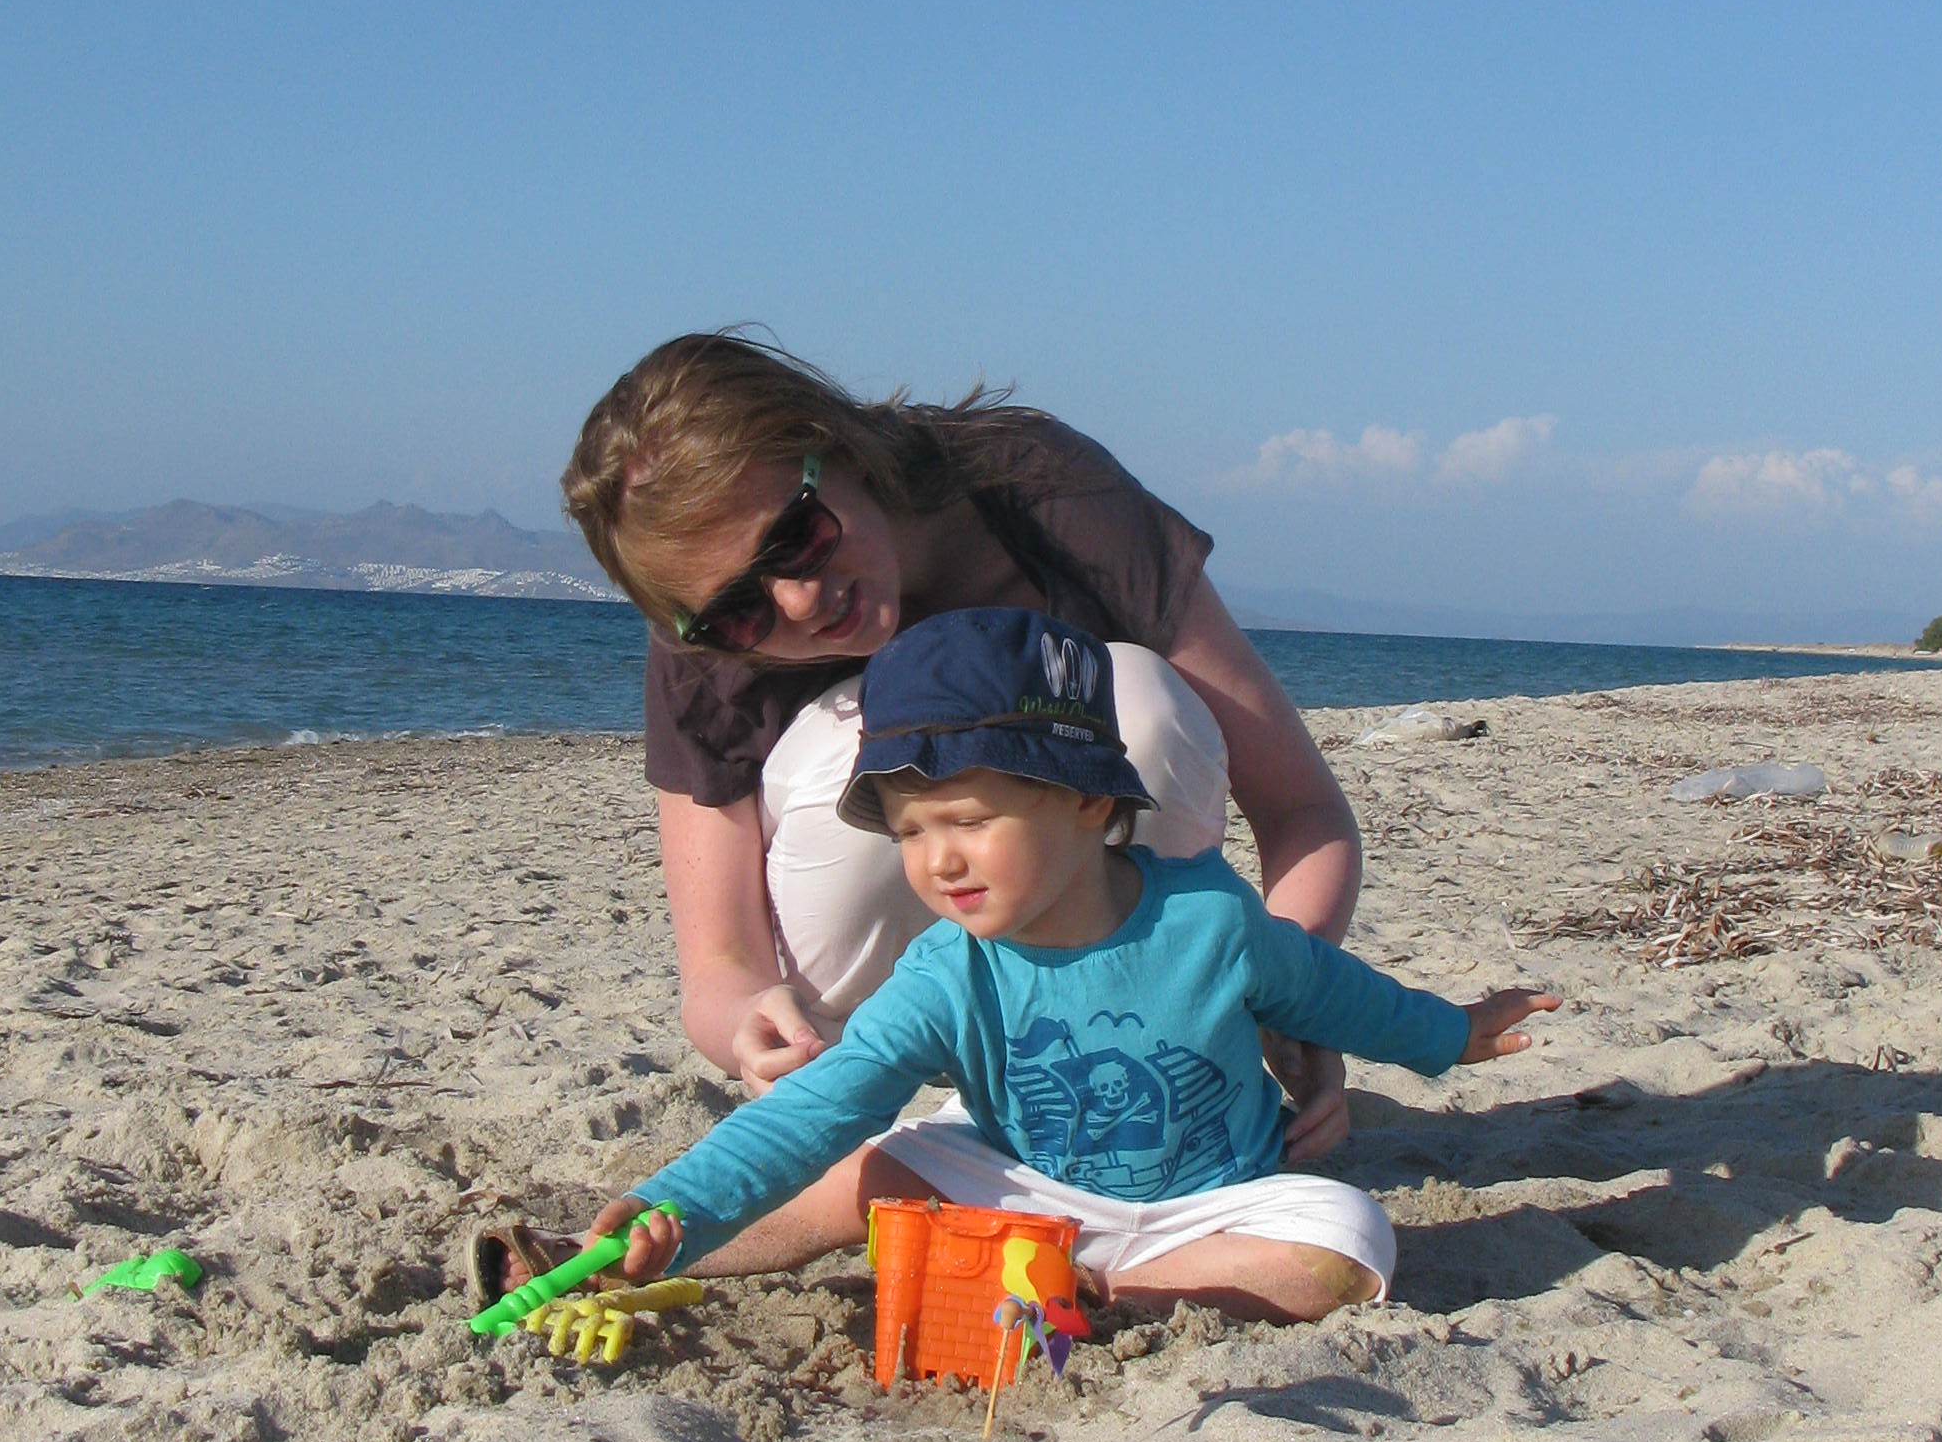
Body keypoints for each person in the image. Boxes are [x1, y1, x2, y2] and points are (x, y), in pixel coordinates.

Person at [590, 609, 1553, 1321]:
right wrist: (676, 1204)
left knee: (1349, 1243)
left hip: (1214, 1206)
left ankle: (1104, 1289)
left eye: (970, 820)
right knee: (861, 1168)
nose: (939, 862)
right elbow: (817, 1106)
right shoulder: (944, 973)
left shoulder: (1209, 919)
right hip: (1019, 1186)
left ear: (1089, 802)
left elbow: (1336, 997)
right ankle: (621, 1254)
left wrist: (1451, 1034)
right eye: (911, 832)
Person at [561, 332, 1368, 1156]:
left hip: (1128, 1001)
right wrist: (748, 1024)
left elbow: (1304, 813)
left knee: (1133, 699)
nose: (798, 602)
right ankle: (860, 1105)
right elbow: (719, 964)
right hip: (866, 1020)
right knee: (875, 742)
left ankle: (1148, 1035)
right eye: (739, 611)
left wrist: (1283, 993)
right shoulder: (706, 653)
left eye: (797, 537)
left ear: (832, 443)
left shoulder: (1036, 494)